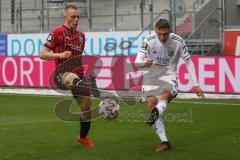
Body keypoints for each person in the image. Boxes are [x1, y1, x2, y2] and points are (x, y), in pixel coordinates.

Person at [135, 19, 205, 152]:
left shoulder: (178, 41)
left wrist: (195, 84)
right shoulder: (148, 40)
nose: (162, 37)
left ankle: (156, 113)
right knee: (151, 103)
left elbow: (188, 62)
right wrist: (145, 63)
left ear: (170, 31)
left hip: (169, 74)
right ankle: (165, 142)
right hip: (151, 75)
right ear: (155, 31)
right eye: (159, 34)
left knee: (164, 95)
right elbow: (137, 61)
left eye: (165, 34)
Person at [40, 4, 98, 149]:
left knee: (87, 109)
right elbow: (42, 54)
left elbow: (77, 59)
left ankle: (83, 137)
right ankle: (85, 85)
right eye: (73, 17)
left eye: (78, 17)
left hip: (78, 76)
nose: (76, 19)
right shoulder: (56, 33)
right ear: (65, 16)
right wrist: (59, 54)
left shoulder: (81, 36)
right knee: (72, 76)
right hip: (61, 75)